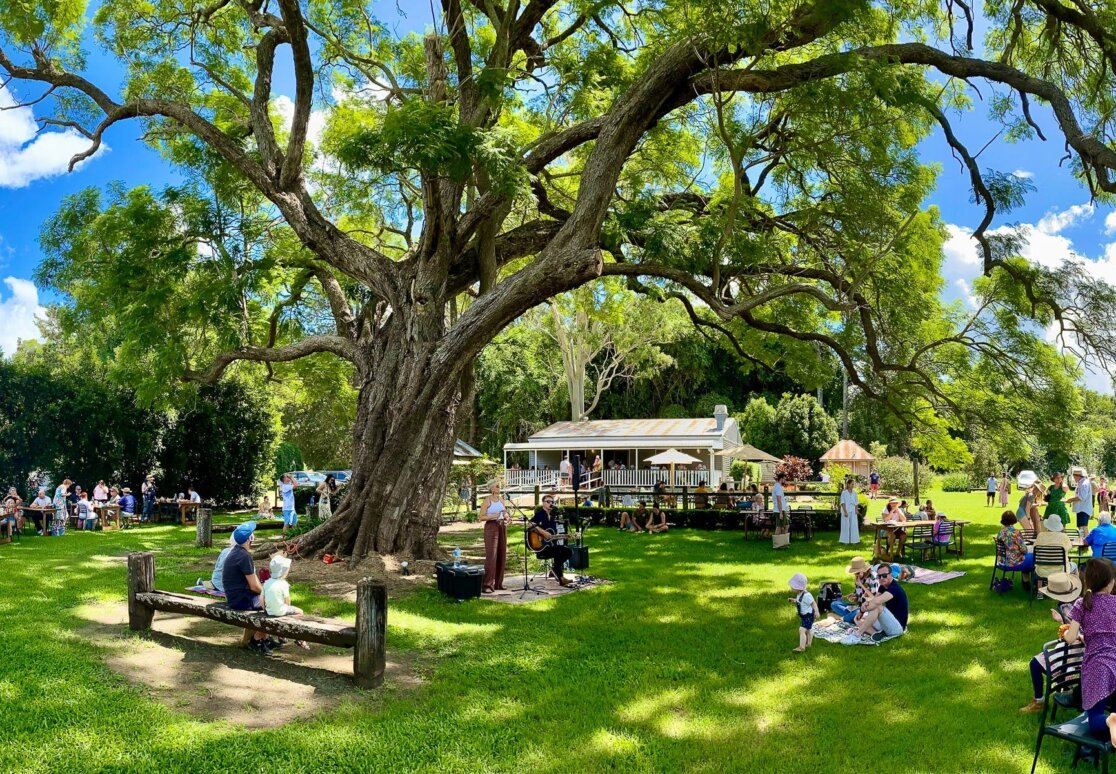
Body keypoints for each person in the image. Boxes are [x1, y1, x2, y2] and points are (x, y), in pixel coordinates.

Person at [1061, 557, 1116, 743]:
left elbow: (1070, 638)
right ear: (1110, 583)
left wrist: (1066, 633)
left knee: (1095, 720)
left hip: (1097, 668)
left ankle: (1109, 720)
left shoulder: (1082, 604)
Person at [1020, 583, 1082, 713]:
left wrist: (1061, 620)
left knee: (1035, 664)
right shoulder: (1082, 602)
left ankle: (1039, 701)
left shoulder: (1068, 606)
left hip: (1074, 651)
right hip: (1081, 650)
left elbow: (1075, 635)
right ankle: (1066, 689)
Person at [221, 521, 272, 653]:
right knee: (271, 604)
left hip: (234, 597)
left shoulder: (235, 553)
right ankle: (258, 639)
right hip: (241, 600)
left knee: (266, 601)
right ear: (250, 539)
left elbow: (253, 580)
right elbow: (254, 586)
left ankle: (264, 638)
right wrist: (268, 594)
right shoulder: (244, 556)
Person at [845, 562, 908, 643]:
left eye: (884, 575)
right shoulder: (883, 586)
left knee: (877, 606)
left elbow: (877, 602)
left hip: (897, 627)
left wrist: (861, 610)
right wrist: (863, 608)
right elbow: (874, 599)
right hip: (887, 622)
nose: (881, 578)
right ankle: (876, 634)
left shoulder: (894, 588)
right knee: (857, 619)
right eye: (879, 576)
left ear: (891, 575)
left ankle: (857, 635)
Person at [529, 496, 573, 586]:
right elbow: (530, 524)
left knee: (568, 551)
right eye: (548, 501)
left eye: (552, 502)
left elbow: (552, 535)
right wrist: (543, 532)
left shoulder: (553, 516)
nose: (551, 503)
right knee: (557, 551)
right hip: (541, 547)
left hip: (551, 545)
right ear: (543, 503)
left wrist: (565, 536)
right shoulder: (539, 514)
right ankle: (561, 578)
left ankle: (554, 569)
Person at [479, 482, 509, 594]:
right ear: (491, 488)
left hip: (502, 526)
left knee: (502, 554)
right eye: (497, 486)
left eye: (500, 485)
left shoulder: (501, 499)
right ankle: (487, 584)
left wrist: (507, 517)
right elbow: (481, 517)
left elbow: (505, 512)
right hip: (491, 526)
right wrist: (494, 515)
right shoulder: (487, 500)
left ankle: (498, 583)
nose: (499, 487)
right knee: (492, 556)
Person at [831, 556, 875, 623]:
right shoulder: (858, 578)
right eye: (854, 573)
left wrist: (861, 585)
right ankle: (852, 618)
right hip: (859, 606)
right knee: (834, 604)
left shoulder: (873, 578)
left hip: (869, 609)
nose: (856, 575)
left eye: (857, 573)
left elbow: (874, 598)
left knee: (857, 612)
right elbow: (858, 596)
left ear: (864, 570)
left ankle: (845, 618)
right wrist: (854, 596)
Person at [997, 511, 1034, 584]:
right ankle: (1030, 582)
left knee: (1027, 558)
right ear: (1013, 520)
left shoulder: (1000, 532)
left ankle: (1026, 581)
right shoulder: (1015, 532)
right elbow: (1024, 550)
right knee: (1033, 557)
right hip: (1014, 563)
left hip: (1002, 562)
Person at [788, 573, 818, 653]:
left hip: (808, 616)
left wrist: (817, 612)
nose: (791, 587)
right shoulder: (800, 594)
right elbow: (801, 602)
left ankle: (802, 647)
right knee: (809, 629)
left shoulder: (807, 595)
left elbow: (813, 603)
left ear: (798, 587)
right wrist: (794, 600)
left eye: (792, 586)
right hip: (805, 616)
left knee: (802, 630)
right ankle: (809, 644)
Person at [1074, 467, 1095, 538]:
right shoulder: (1082, 482)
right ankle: (1083, 542)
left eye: (1074, 476)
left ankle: (1085, 543)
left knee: (1083, 526)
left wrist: (1070, 499)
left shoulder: (1084, 483)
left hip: (1083, 508)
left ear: (1077, 476)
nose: (1073, 478)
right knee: (1081, 526)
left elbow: (1082, 497)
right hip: (1081, 508)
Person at [839, 478, 861, 545]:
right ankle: (845, 541)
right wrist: (845, 511)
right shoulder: (844, 493)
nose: (852, 485)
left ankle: (854, 540)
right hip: (846, 510)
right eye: (851, 484)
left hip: (853, 510)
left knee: (854, 525)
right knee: (845, 525)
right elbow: (842, 503)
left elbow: (856, 502)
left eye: (853, 484)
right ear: (848, 484)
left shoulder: (854, 493)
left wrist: (856, 509)